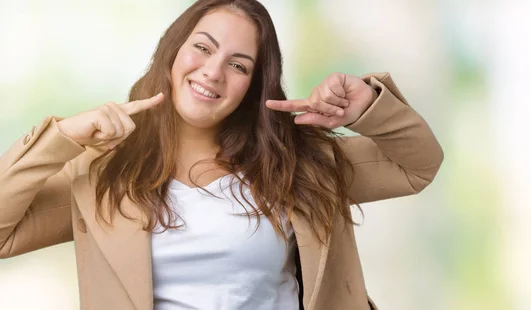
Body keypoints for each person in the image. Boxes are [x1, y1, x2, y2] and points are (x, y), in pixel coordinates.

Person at [0, 0, 443, 309]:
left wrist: (367, 105)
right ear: (173, 53)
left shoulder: (298, 165)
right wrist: (60, 137)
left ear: (254, 85)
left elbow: (418, 165)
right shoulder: (102, 178)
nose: (213, 71)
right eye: (203, 47)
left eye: (238, 64)